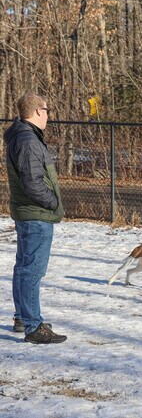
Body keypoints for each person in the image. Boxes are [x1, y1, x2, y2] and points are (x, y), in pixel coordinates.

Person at [4, 92, 66, 344]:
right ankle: (33, 326)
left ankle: (23, 317)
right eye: (47, 110)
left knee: (23, 268)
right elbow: (33, 184)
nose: (49, 115)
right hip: (36, 214)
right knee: (32, 271)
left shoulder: (22, 136)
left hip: (29, 213)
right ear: (38, 111)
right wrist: (53, 203)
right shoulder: (28, 140)